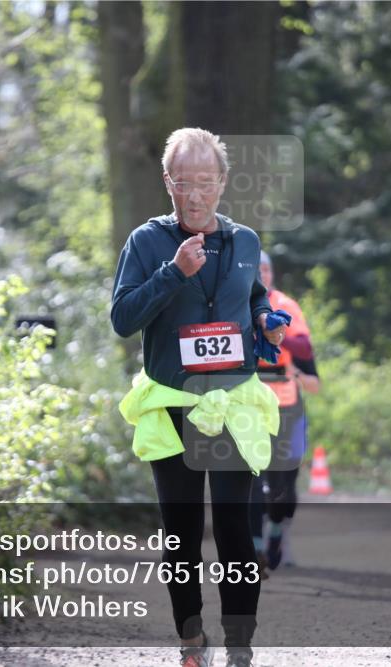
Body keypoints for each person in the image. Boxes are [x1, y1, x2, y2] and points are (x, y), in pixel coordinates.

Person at [112, 127, 287, 667]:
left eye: (205, 182)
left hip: (233, 403)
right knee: (182, 532)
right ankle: (191, 641)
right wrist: (173, 274)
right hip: (173, 405)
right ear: (167, 182)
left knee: (236, 528)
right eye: (183, 182)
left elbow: (254, 296)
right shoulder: (146, 242)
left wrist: (265, 320)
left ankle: (240, 644)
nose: (195, 194)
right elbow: (123, 319)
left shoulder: (246, 242)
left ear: (222, 182)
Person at [251, 251, 320, 570]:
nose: (262, 274)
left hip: (286, 402)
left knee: (284, 481)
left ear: (272, 274)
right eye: (256, 269)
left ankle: (279, 531)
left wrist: (274, 331)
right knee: (251, 476)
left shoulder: (286, 304)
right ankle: (255, 545)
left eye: (266, 269)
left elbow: (305, 349)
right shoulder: (236, 302)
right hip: (249, 402)